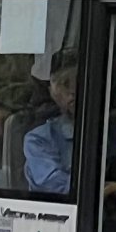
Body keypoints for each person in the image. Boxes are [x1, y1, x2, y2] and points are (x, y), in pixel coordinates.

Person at [24, 49, 77, 194]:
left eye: (78, 82)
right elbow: (52, 184)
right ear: (53, 93)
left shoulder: (110, 134)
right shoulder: (38, 139)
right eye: (65, 84)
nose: (72, 91)